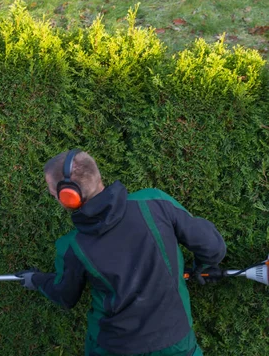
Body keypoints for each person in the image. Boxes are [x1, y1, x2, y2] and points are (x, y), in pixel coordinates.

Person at [16, 149, 226, 356]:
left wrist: (37, 280)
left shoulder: (72, 247)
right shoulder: (155, 202)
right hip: (176, 342)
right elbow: (212, 247)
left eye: (53, 192)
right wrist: (204, 267)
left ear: (68, 197)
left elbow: (65, 296)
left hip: (114, 347)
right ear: (97, 176)